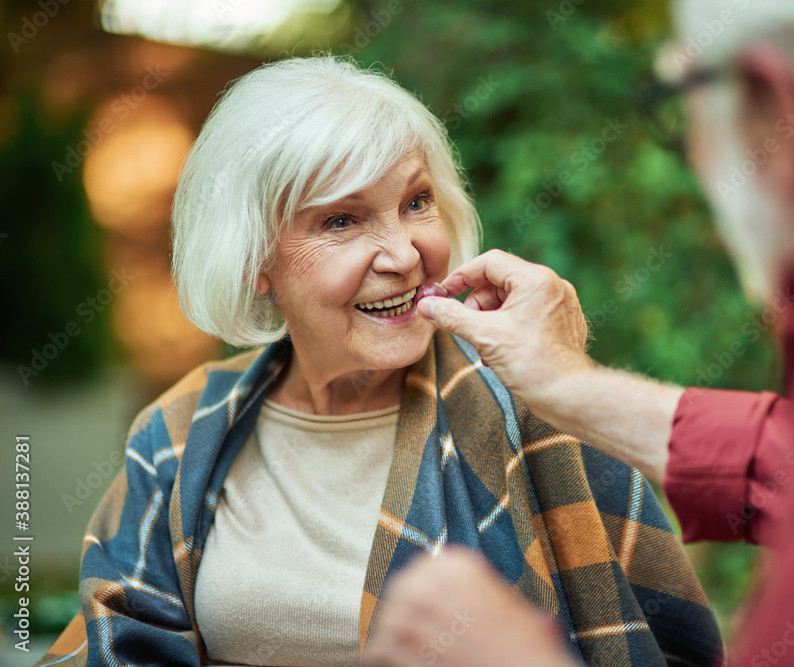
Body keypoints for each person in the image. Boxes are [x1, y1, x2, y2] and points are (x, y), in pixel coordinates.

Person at [366, 1, 794, 666]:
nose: (402, 256)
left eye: (681, 98)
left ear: (773, 104)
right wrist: (570, 385)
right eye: (339, 221)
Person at [35, 57, 724, 667]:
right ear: (254, 261)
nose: (403, 255)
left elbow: (673, 647)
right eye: (341, 220)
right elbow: (112, 642)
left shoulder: (536, 407)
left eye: (417, 202)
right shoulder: (180, 433)